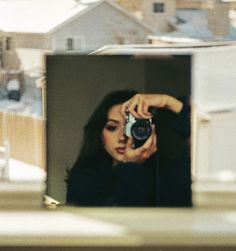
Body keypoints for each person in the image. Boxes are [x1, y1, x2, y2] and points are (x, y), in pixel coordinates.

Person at [66, 89, 191, 207]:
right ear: (100, 135)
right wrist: (131, 166)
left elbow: (204, 137)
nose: (122, 137)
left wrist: (167, 101)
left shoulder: (167, 171)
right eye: (112, 127)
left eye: (131, 127)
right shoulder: (83, 180)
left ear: (148, 129)